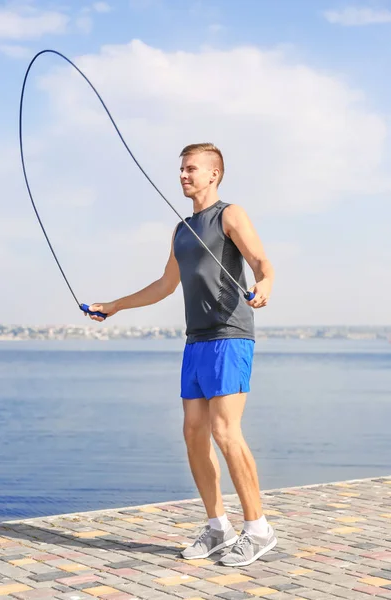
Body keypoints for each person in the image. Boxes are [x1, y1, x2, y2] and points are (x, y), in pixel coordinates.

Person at [85, 143, 276, 567]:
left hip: (230, 335)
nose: (183, 176)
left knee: (226, 432)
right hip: (196, 340)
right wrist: (114, 305)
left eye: (191, 169)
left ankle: (259, 528)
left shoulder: (230, 214)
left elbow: (261, 260)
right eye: (181, 169)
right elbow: (164, 285)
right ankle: (217, 527)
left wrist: (264, 285)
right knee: (193, 432)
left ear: (214, 174)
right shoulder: (182, 229)